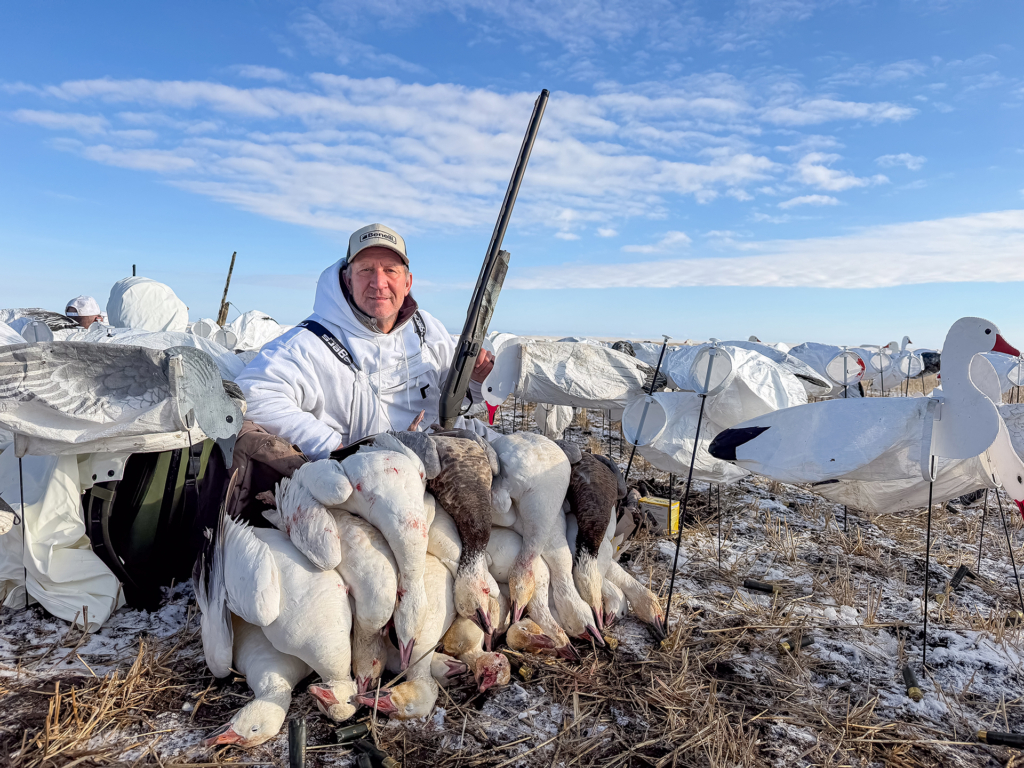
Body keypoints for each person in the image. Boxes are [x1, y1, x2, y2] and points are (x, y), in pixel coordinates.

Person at [236, 224, 495, 459]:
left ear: (407, 283)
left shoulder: (425, 327)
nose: (378, 283)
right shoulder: (309, 343)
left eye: (390, 270)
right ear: (348, 280)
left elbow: (453, 397)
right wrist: (330, 446)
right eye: (366, 270)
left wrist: (476, 379)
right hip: (372, 475)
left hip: (445, 453)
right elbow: (252, 393)